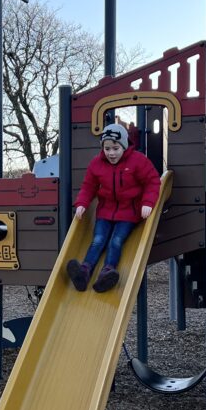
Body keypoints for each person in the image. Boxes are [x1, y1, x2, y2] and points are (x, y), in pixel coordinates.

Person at [66, 122, 161, 293]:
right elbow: (88, 186)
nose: (111, 153)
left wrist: (147, 203)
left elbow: (152, 182)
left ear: (124, 145)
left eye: (115, 148)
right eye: (107, 148)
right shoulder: (97, 164)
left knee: (115, 241)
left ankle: (107, 271)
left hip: (129, 213)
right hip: (105, 211)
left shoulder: (137, 161)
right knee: (98, 240)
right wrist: (81, 204)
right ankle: (84, 272)